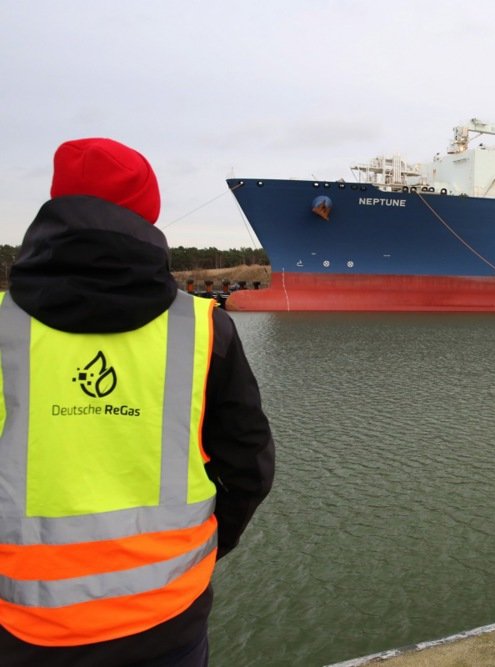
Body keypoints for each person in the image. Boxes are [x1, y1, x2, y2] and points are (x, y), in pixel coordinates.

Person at [0, 138, 275, 666]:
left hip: (23, 627)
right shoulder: (203, 328)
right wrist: (200, 550)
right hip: (167, 619)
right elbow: (249, 468)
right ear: (148, 213)